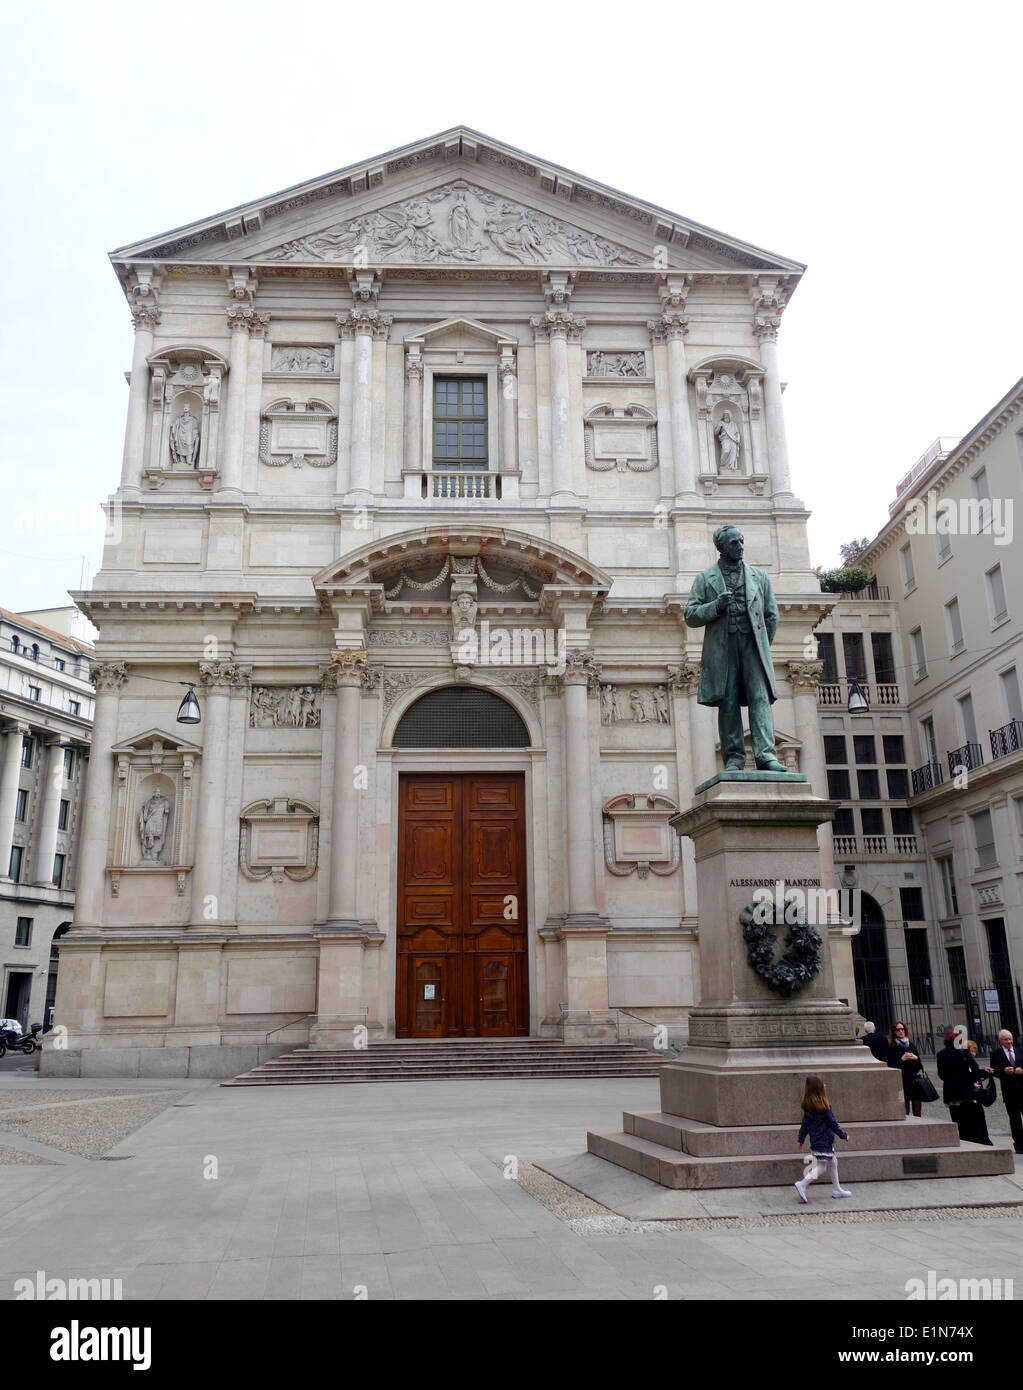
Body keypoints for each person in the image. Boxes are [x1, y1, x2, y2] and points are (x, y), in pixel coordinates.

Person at [684, 524, 787, 774]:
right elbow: (690, 615)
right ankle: (734, 757)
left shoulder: (760, 577)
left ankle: (765, 755)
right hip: (723, 647)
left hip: (752, 646)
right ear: (720, 547)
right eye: (734, 543)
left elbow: (771, 616)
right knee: (727, 701)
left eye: (741, 541)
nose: (740, 546)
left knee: (759, 698)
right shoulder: (704, 579)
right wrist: (716, 606)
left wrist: (762, 645)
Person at [795, 1074, 851, 1202]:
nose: (825, 1086)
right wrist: (844, 1135)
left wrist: (801, 1139)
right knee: (822, 1166)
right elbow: (833, 1124)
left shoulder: (808, 1108)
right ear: (820, 1089)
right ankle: (802, 1184)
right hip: (825, 1141)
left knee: (833, 1162)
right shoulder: (825, 1108)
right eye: (823, 1084)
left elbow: (804, 1126)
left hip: (816, 1141)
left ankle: (837, 1189)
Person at [936, 1028, 993, 1145]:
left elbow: (941, 1075)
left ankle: (962, 1142)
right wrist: (983, 1072)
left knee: (958, 1121)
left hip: (951, 1094)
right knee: (971, 1121)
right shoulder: (962, 1051)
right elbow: (974, 1069)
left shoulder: (941, 1054)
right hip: (965, 1093)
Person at [989, 1028, 1023, 1155]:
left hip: (1022, 1089)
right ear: (1000, 1041)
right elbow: (993, 1071)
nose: (1009, 1041)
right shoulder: (996, 1054)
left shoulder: (1020, 1051)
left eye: (1010, 1039)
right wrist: (1003, 1072)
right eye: (1006, 1039)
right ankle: (1019, 1144)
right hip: (1009, 1092)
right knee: (1015, 1119)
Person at [886, 1020, 923, 1117]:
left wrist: (915, 1058)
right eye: (898, 1030)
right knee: (904, 1111)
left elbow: (919, 1065)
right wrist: (902, 1059)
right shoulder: (892, 1047)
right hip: (902, 1081)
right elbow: (891, 1066)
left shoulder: (911, 1045)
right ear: (894, 1032)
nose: (901, 1031)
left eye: (902, 1029)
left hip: (915, 1080)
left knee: (917, 1111)